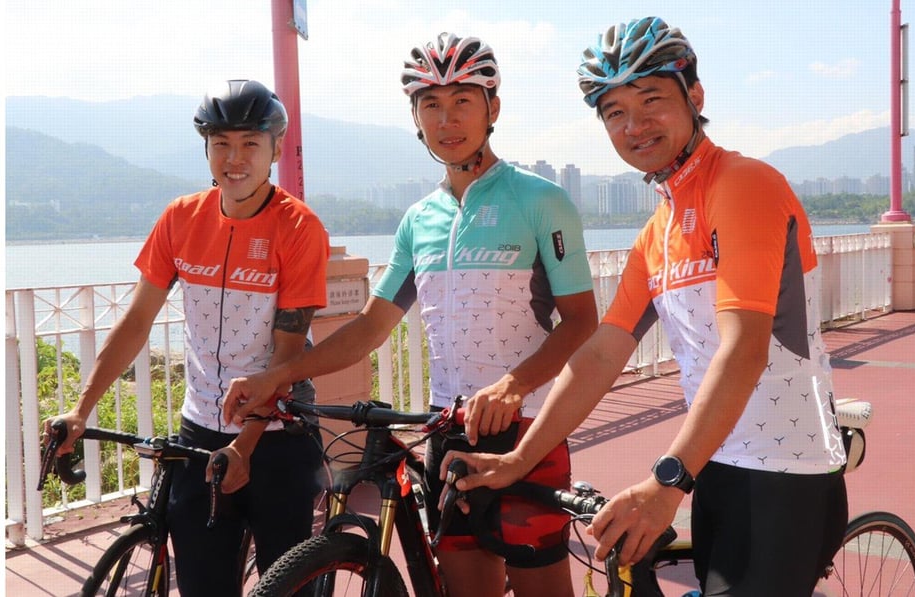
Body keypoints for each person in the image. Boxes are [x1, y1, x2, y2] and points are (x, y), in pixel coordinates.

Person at [447, 17, 849, 597]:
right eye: (615, 112)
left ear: (696, 97)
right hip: (714, 465)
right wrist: (518, 458)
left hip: (786, 470)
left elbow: (744, 348)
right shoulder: (657, 229)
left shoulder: (743, 185)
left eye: (652, 100)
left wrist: (667, 481)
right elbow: (603, 353)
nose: (634, 125)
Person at [223, 33, 597, 597]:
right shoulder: (418, 219)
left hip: (528, 429)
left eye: (463, 102)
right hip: (446, 432)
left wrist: (512, 387)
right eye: (431, 106)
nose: (448, 120)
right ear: (416, 119)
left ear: (493, 108)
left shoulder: (540, 200)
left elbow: (581, 320)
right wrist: (279, 376)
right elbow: (372, 326)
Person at [44, 79, 329, 596]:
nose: (234, 158)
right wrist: (82, 409)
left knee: (287, 588)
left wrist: (245, 444)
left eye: (249, 144)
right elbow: (136, 321)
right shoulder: (180, 218)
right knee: (201, 585)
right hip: (200, 429)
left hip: (278, 437)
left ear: (275, 149)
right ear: (206, 149)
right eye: (221, 144)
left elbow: (287, 355)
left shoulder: (299, 228)